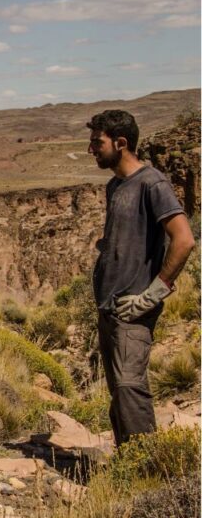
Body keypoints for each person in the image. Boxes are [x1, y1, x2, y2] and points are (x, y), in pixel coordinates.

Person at [87, 109, 195, 446]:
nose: (92, 149)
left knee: (129, 387)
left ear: (121, 143)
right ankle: (127, 464)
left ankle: (148, 471)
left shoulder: (152, 183)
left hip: (134, 304)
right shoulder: (115, 185)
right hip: (110, 306)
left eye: (97, 142)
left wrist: (152, 294)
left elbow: (184, 239)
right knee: (118, 393)